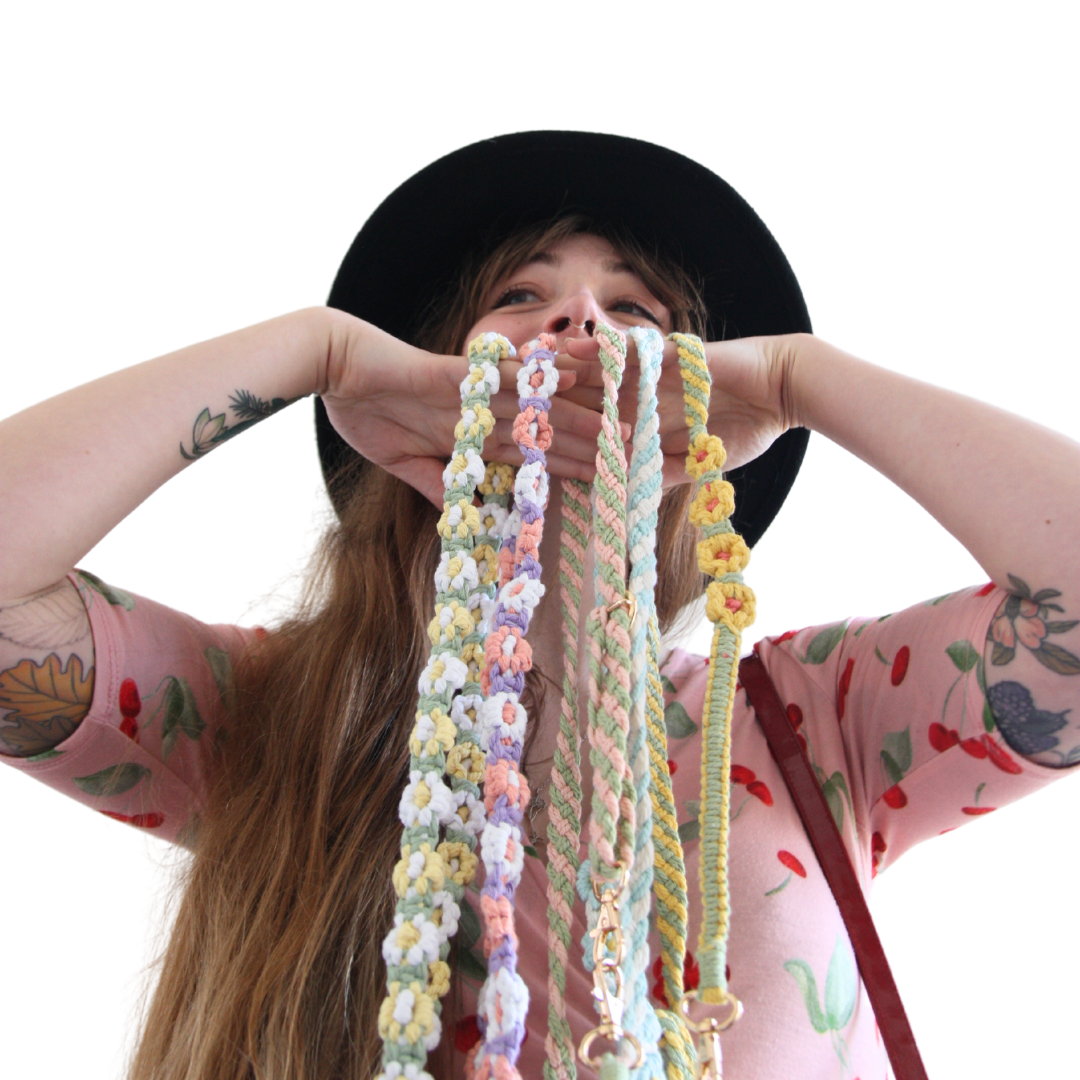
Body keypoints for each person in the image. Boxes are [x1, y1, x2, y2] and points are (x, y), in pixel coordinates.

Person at [1, 131, 1077, 1080]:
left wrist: (800, 379)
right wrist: (312, 352)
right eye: (519, 295)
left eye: (640, 310)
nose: (582, 316)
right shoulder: (264, 713)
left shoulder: (816, 717)